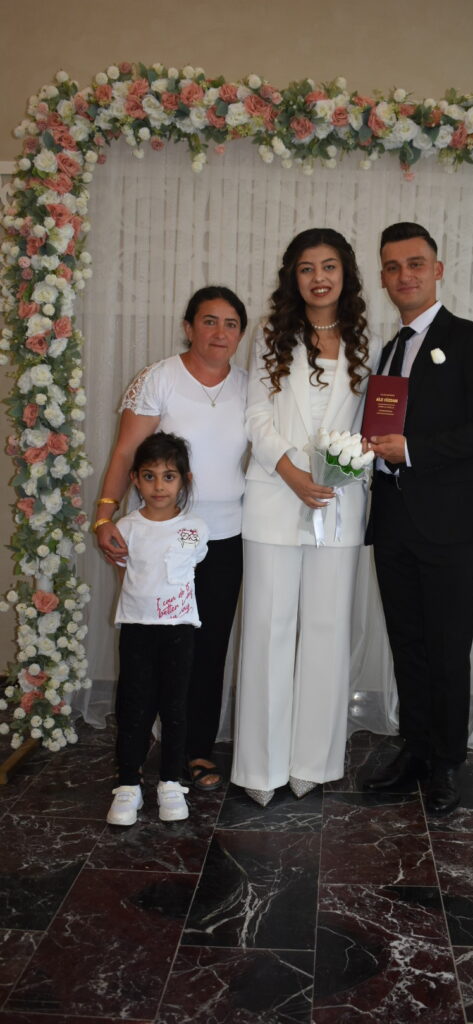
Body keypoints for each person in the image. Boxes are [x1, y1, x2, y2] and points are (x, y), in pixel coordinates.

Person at [364, 222, 473, 814]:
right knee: (408, 643)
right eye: (393, 266)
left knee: (448, 647)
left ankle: (448, 761)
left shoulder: (472, 337)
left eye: (415, 263)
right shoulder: (388, 350)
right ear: (383, 277)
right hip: (393, 519)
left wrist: (414, 450)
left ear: (437, 270)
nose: (405, 275)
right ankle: (416, 750)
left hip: (450, 522)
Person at [231, 228, 380, 806]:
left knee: (326, 629)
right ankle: (260, 766)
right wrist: (291, 471)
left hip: (340, 502)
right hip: (274, 495)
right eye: (307, 268)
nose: (319, 277)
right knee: (268, 628)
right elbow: (256, 417)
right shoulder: (271, 334)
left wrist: (347, 467)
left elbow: (373, 422)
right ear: (292, 277)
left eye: (329, 266)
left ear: (346, 274)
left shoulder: (369, 339)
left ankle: (312, 761)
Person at [95, 286, 248, 792]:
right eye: (209, 321)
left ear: (240, 334)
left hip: (225, 539)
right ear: (188, 326)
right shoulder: (158, 378)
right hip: (160, 539)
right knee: (151, 648)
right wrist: (104, 515)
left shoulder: (250, 386)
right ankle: (137, 751)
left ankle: (196, 750)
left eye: (230, 324)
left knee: (208, 647)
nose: (220, 332)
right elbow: (125, 454)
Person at [106, 432, 209, 825]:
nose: (159, 486)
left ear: (184, 480)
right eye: (149, 476)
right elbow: (125, 573)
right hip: (137, 629)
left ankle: (170, 782)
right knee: (133, 707)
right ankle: (128, 785)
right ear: (135, 479)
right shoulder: (126, 527)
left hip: (179, 629)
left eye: (169, 476)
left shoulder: (195, 528)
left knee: (175, 707)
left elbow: (191, 567)